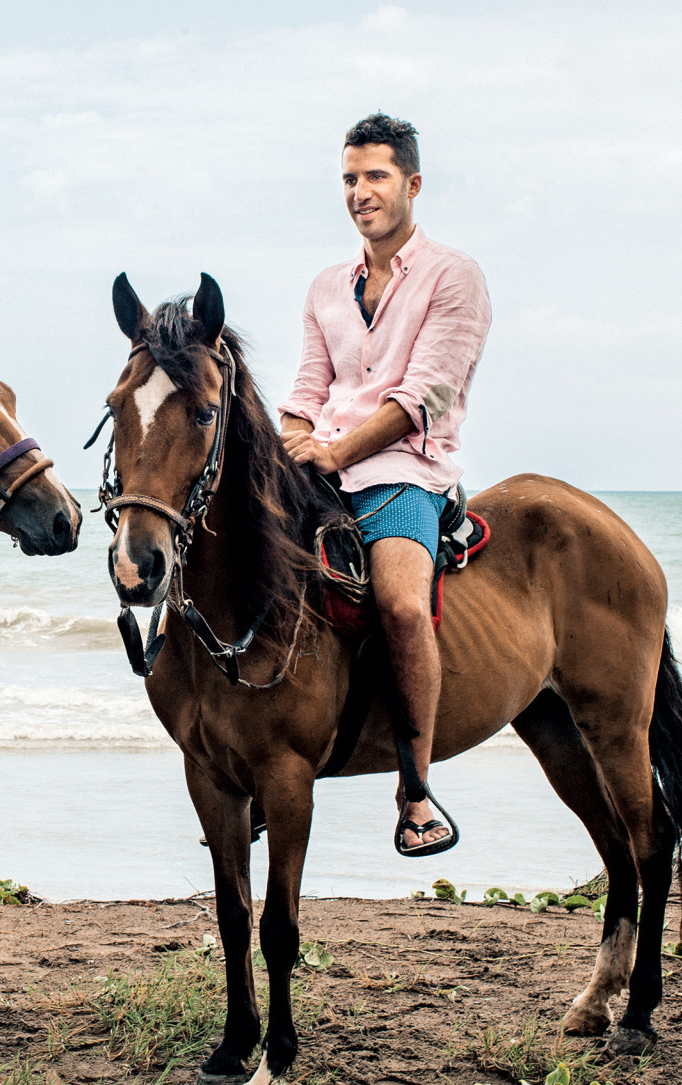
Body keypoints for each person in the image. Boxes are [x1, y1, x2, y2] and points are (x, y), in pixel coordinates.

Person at [280, 114, 491, 854]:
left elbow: (422, 398)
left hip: (404, 470)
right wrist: (295, 441)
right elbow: (306, 390)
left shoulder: (452, 275)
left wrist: (332, 455)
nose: (360, 192)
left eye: (375, 176)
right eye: (349, 178)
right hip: (323, 465)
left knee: (401, 606)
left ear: (412, 184)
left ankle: (416, 790)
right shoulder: (326, 287)